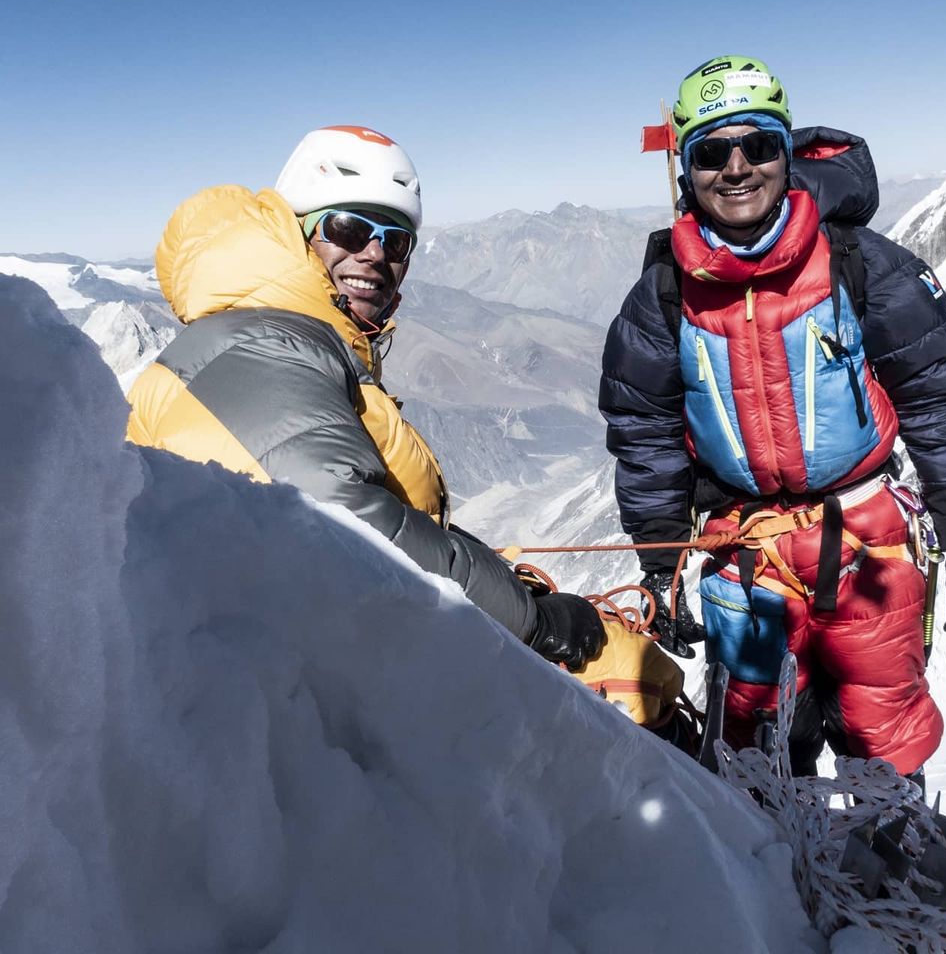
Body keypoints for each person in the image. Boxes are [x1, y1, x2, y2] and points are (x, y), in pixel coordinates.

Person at [599, 57, 946, 777]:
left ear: (787, 153)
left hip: (866, 545)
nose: (736, 168)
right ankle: (774, 878)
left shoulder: (859, 262)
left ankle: (888, 857)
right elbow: (646, 435)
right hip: (747, 554)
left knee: (884, 737)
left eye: (756, 145)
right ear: (686, 170)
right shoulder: (663, 295)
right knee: (756, 752)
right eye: (710, 153)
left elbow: (938, 396)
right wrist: (660, 567)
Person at [127, 124, 603, 670]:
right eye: (348, 228)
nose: (375, 252)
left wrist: (505, 585)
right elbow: (339, 519)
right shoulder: (257, 345)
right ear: (297, 233)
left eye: (395, 240)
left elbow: (389, 512)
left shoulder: (303, 341)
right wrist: (532, 623)